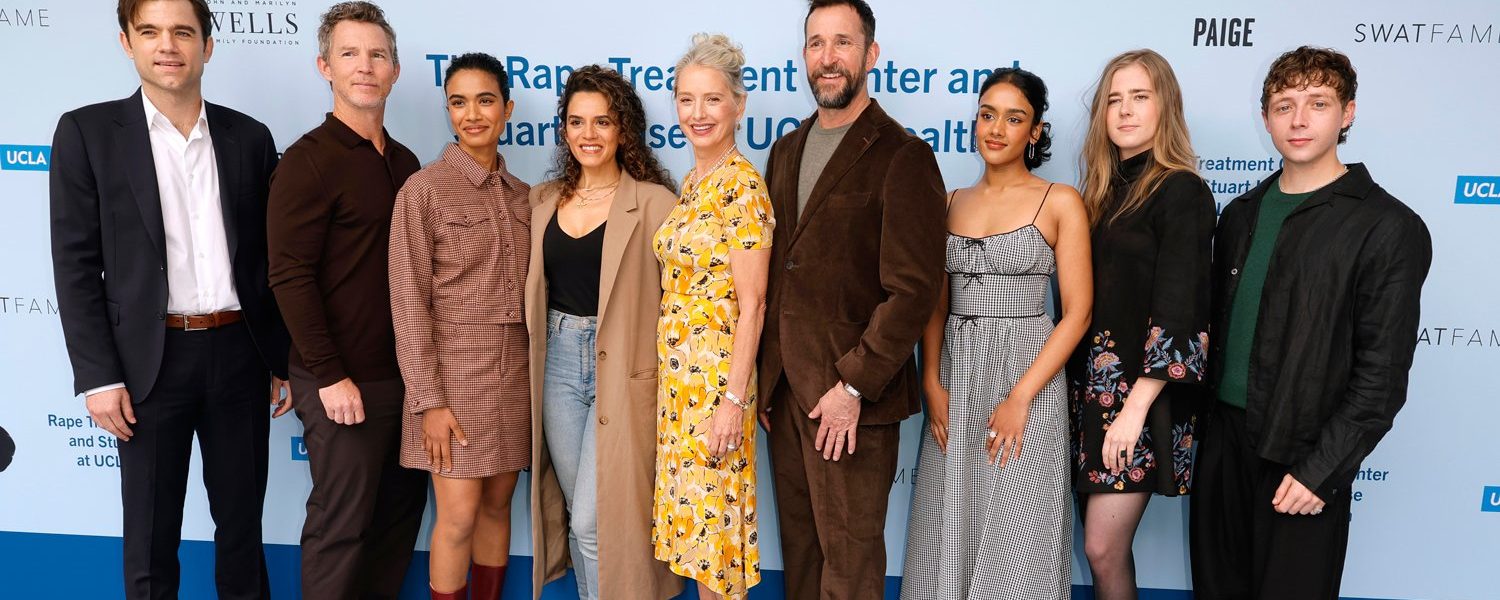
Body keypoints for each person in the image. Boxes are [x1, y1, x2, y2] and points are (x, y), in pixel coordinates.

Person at [49, 1, 289, 597]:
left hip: (240, 354)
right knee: (151, 538)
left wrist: (278, 357)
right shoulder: (87, 133)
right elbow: (75, 266)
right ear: (126, 42)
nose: (167, 46)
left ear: (207, 45)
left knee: (243, 531)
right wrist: (99, 376)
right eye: (150, 31)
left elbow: (267, 260)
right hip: (146, 364)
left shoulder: (249, 137)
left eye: (183, 32)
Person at [1190, 46, 1431, 600]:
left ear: (1347, 113)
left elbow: (1381, 375)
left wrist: (1322, 469)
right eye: (1284, 105)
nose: (1298, 119)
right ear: (1266, 117)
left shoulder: (1387, 226)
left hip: (1304, 455)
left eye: (1318, 103)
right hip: (1223, 447)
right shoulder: (1240, 215)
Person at [757, 1, 947, 597]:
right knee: (802, 560)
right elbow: (777, 271)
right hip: (785, 391)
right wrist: (766, 376)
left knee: (850, 565)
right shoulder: (786, 150)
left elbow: (914, 290)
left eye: (842, 42)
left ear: (871, 54)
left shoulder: (902, 155)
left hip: (850, 399)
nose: (828, 57)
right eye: (816, 43)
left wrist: (853, 387)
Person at [902, 67, 1091, 600]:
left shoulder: (1060, 201)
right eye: (988, 115)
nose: (997, 129)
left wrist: (1021, 396)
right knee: (946, 521)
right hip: (957, 374)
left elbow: (1077, 313)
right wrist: (931, 380)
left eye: (1014, 118)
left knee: (1020, 527)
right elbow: (936, 305)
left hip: (1029, 376)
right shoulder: (949, 201)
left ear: (1035, 132)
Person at [266, 3, 428, 598]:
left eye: (377, 55)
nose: (365, 66)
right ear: (325, 67)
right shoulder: (306, 161)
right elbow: (289, 276)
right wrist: (330, 376)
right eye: (350, 54)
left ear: (395, 71)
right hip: (339, 381)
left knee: (395, 526)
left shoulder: (406, 163)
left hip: (405, 383)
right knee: (342, 527)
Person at [525, 65, 681, 600]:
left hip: (626, 368)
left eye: (602, 121)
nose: (588, 134)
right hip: (558, 363)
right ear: (564, 129)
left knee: (596, 521)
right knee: (580, 516)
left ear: (623, 130)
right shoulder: (541, 201)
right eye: (577, 122)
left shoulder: (656, 203)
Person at [1066, 48, 1215, 600]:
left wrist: (1132, 412)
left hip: (1141, 401)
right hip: (1089, 396)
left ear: (1164, 106)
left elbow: (1181, 310)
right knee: (1103, 552)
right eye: (1114, 100)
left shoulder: (1182, 191)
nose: (1125, 110)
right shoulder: (1099, 195)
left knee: (1102, 549)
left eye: (1140, 97)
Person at [389, 52, 530, 600]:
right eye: (458, 102)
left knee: (497, 507)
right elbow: (408, 303)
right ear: (447, 110)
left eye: (485, 100)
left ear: (507, 109)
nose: (472, 114)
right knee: (458, 516)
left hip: (514, 378)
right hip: (453, 381)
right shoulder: (423, 190)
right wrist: (429, 401)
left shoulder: (525, 196)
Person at [651, 33, 774, 600]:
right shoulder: (694, 181)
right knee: (698, 548)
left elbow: (754, 304)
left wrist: (732, 401)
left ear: (738, 104)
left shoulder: (742, 187)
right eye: (686, 99)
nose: (697, 113)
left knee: (715, 550)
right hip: (681, 389)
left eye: (712, 99)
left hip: (717, 390)